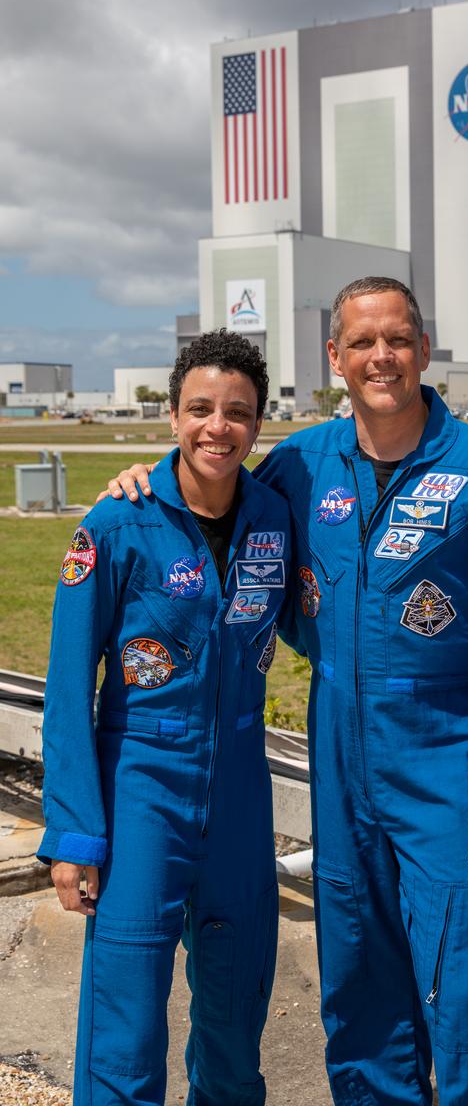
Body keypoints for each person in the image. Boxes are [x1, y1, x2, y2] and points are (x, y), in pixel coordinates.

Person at [108, 276, 468, 1106]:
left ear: (424, 350)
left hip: (449, 756)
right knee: (354, 969)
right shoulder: (298, 467)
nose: (379, 357)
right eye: (361, 343)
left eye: (396, 339)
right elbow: (213, 502)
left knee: (456, 981)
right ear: (335, 358)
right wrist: (141, 481)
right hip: (341, 745)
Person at [39, 330, 290, 1106]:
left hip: (243, 789)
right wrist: (75, 833)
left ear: (258, 423)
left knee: (235, 1006)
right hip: (143, 780)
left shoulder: (276, 517)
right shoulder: (116, 525)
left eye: (238, 413)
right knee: (127, 1011)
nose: (219, 428)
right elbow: (66, 684)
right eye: (201, 410)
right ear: (173, 416)